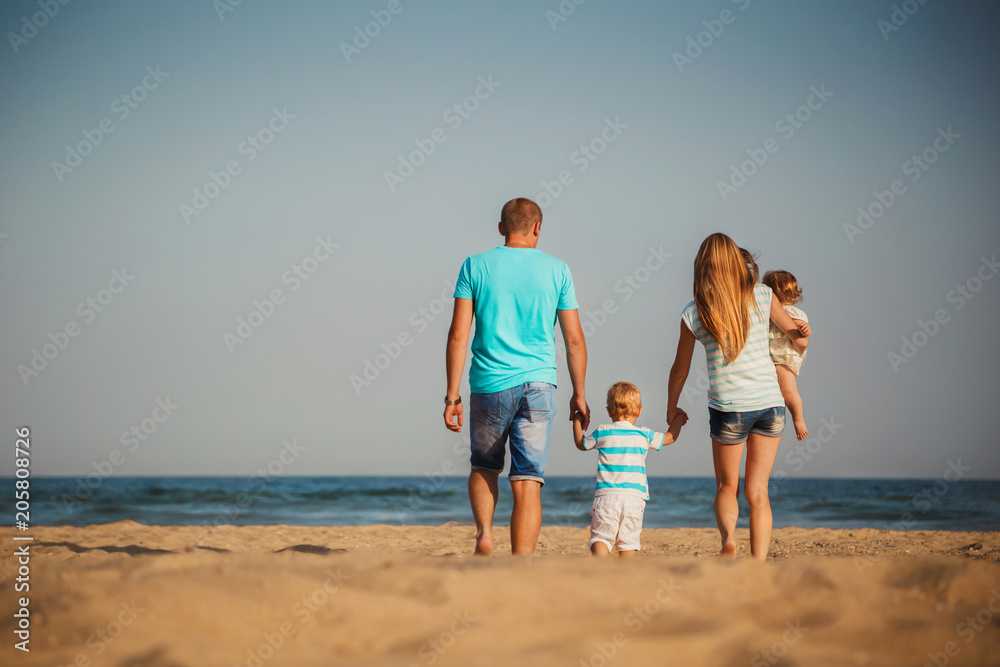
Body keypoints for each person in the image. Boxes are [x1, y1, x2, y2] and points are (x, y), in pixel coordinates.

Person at [443, 197, 590, 556]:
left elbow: (459, 335)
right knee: (528, 479)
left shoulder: (475, 266)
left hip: (489, 384)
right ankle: (520, 563)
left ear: (500, 228)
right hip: (540, 385)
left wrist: (452, 396)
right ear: (537, 227)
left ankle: (484, 536)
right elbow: (574, 339)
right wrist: (579, 392)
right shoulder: (558, 270)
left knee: (484, 465)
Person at [665, 233, 808, 561]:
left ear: (702, 268)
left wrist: (672, 407)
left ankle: (729, 539)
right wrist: (803, 339)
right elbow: (795, 338)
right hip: (770, 404)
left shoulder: (694, 312)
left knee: (726, 487)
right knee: (758, 492)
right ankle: (757, 564)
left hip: (728, 407)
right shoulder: (762, 294)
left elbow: (679, 370)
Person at [573, 382, 687, 557]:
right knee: (628, 541)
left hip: (607, 497)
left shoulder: (603, 432)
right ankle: (626, 577)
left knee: (601, 537)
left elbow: (581, 444)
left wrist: (577, 421)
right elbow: (670, 437)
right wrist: (678, 418)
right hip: (634, 499)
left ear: (609, 411)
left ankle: (599, 568)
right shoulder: (644, 435)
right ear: (640, 410)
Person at [761, 270, 812, 440]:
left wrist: (805, 329)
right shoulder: (768, 309)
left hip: (783, 355)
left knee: (789, 389)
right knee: (781, 389)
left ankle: (798, 419)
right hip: (771, 354)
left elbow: (803, 329)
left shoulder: (792, 312)